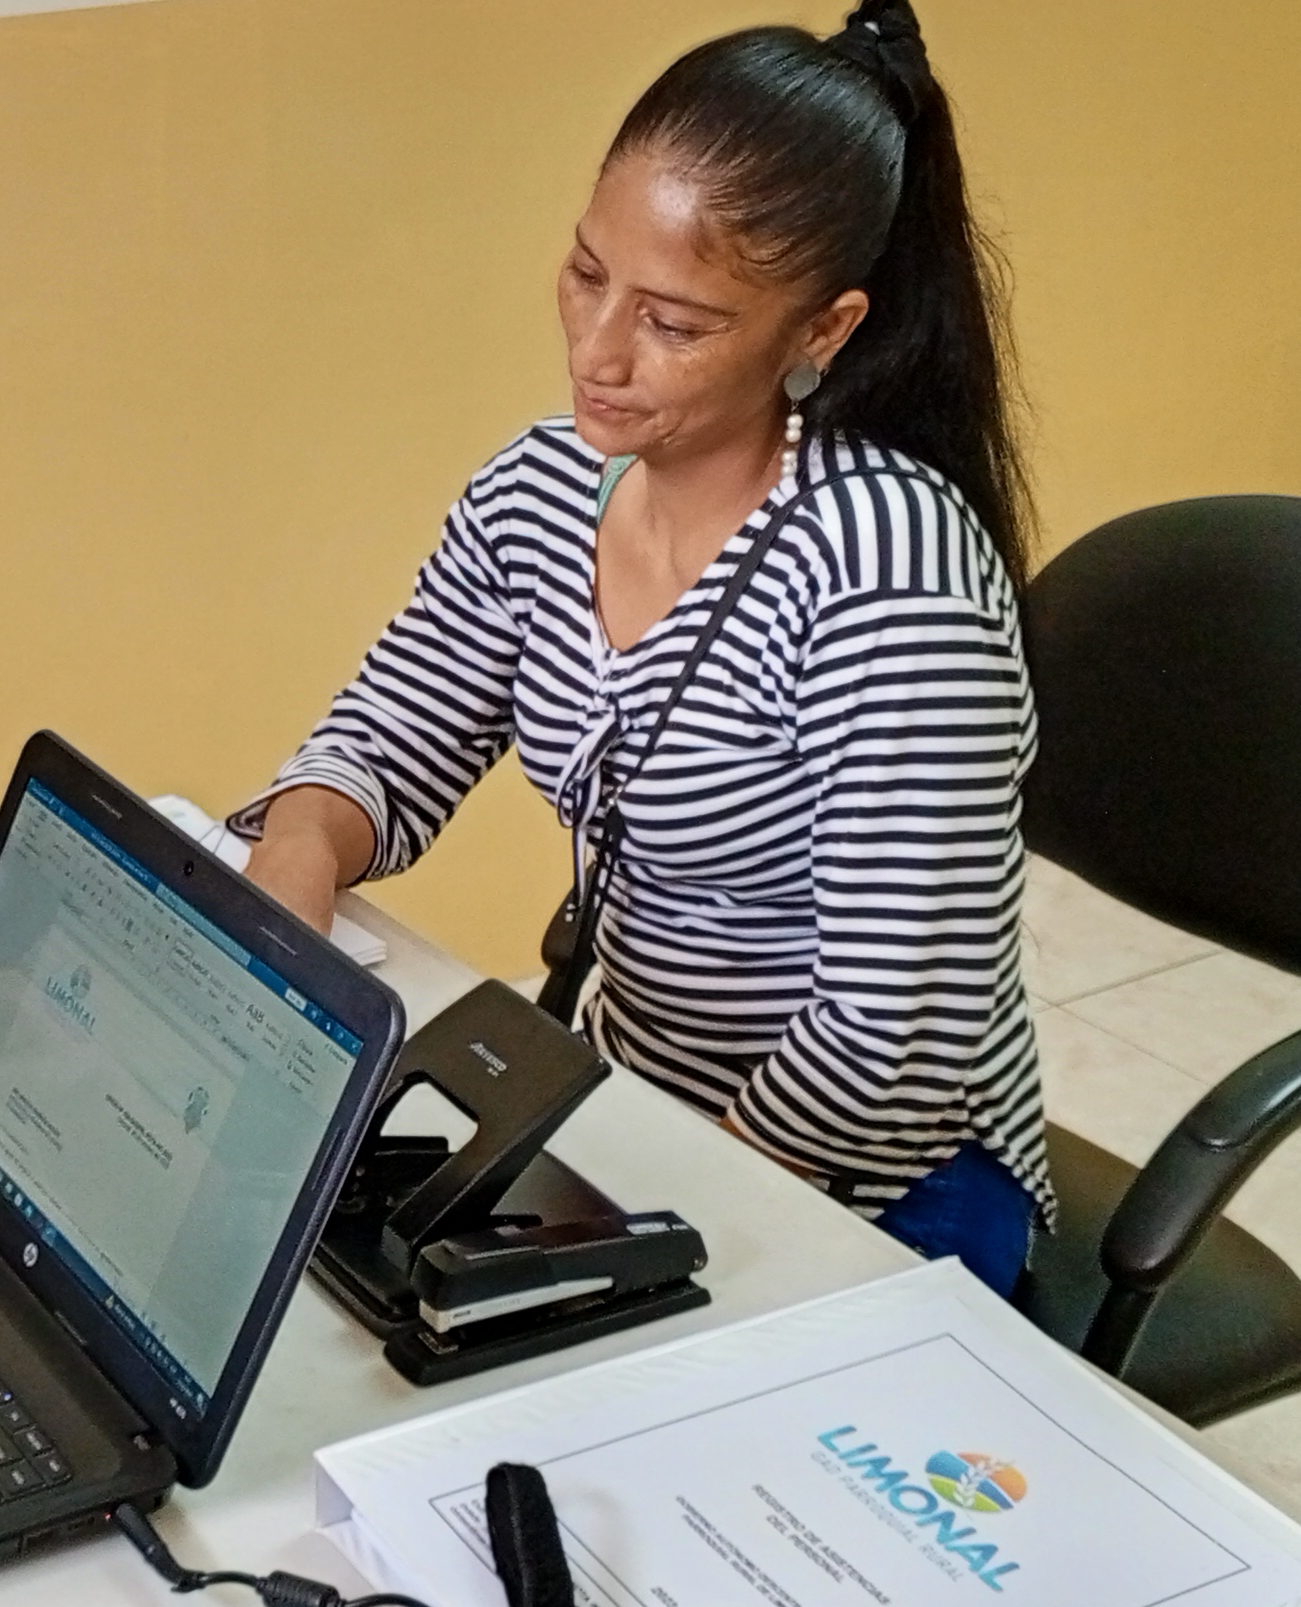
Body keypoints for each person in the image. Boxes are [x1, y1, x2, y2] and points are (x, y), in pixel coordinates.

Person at [236, 0, 1047, 1292]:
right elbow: (387, 736)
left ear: (822, 331)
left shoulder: (890, 582)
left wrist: (655, 1241)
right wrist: (282, 912)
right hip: (646, 1102)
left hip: (878, 1179)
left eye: (674, 323)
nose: (598, 352)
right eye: (586, 274)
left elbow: (891, 1038)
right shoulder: (544, 489)